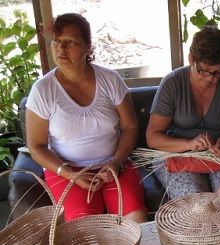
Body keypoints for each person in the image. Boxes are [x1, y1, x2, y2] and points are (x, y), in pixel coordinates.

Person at [26, 13, 147, 223]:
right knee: (83, 228)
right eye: (57, 41)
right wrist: (69, 174)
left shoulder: (110, 79)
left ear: (88, 47)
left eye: (71, 42)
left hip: (113, 165)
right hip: (66, 170)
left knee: (136, 221)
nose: (61, 49)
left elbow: (130, 127)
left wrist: (116, 162)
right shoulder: (43, 90)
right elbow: (36, 146)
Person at [146, 25, 220, 199]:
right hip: (178, 155)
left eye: (218, 72)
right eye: (204, 71)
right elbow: (152, 137)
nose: (211, 78)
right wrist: (188, 144)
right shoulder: (173, 83)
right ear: (191, 59)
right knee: (195, 201)